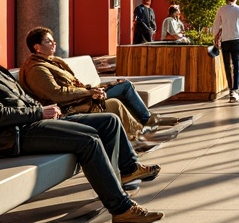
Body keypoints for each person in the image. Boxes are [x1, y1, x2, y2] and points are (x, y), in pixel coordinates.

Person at [0, 24, 163, 223]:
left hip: (27, 125)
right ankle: (121, 209)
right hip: (5, 139)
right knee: (88, 140)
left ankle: (127, 172)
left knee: (109, 121)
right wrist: (39, 112)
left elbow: (25, 98)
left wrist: (44, 112)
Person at [19, 27, 178, 147]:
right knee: (117, 98)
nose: (53, 42)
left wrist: (92, 90)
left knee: (120, 88)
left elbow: (71, 84)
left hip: (78, 98)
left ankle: (138, 135)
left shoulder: (51, 61)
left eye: (52, 39)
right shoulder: (36, 69)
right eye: (48, 41)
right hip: (67, 108)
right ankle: (139, 134)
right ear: (37, 47)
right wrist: (89, 92)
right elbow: (56, 94)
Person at [213, 0, 239, 102]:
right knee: (237, 65)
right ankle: (235, 90)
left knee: (227, 65)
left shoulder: (221, 10)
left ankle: (230, 89)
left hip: (225, 40)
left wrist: (215, 37)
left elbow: (215, 25)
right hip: (236, 39)